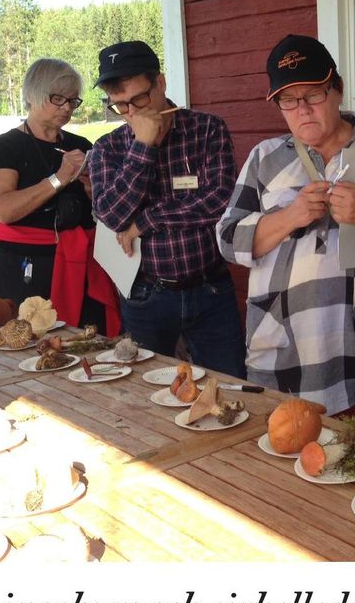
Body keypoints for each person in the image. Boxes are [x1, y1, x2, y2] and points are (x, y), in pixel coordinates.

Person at [217, 35, 355, 426]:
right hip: (281, 349)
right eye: (288, 100)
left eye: (313, 94)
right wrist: (290, 216)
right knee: (283, 465)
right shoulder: (265, 158)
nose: (301, 110)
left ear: (337, 89)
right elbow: (227, 239)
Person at [87, 40, 246, 375]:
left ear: (159, 83)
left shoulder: (206, 129)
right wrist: (142, 147)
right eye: (119, 105)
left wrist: (147, 219)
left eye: (139, 98)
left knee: (229, 384)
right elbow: (111, 216)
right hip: (146, 293)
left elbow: (219, 200)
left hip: (210, 287)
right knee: (145, 391)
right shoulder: (108, 149)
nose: (131, 112)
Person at [0, 58, 120, 332]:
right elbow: (5, 209)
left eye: (73, 101)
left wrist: (90, 188)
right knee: (22, 342)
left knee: (88, 341)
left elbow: (103, 208)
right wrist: (59, 178)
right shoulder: (4, 146)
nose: (66, 108)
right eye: (57, 99)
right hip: (23, 263)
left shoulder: (80, 146)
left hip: (79, 262)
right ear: (31, 95)